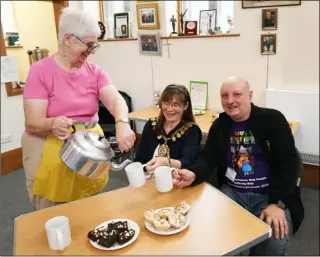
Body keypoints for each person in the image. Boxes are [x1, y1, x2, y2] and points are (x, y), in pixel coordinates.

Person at [173, 77, 304, 255]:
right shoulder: (220, 126)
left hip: (269, 194)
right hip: (233, 193)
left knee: (273, 242)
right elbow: (208, 157)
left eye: (237, 94)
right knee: (218, 238)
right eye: (224, 96)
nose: (230, 100)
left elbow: (289, 164)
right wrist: (194, 173)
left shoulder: (273, 120)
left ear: (250, 96)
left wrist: (277, 204)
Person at [21, 7, 136, 211]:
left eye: (95, 45)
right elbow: (32, 122)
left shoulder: (95, 71)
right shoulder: (40, 71)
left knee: (90, 205)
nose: (91, 51)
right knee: (54, 210)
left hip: (88, 148)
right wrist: (52, 123)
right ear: (68, 39)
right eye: (88, 45)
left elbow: (116, 101)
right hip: (50, 147)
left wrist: (123, 123)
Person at [134, 84, 202, 175]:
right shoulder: (151, 125)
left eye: (176, 105)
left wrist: (167, 162)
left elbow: (189, 162)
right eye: (166, 103)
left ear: (185, 106)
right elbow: (139, 158)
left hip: (177, 181)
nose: (170, 109)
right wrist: (144, 170)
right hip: (147, 179)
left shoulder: (191, 130)